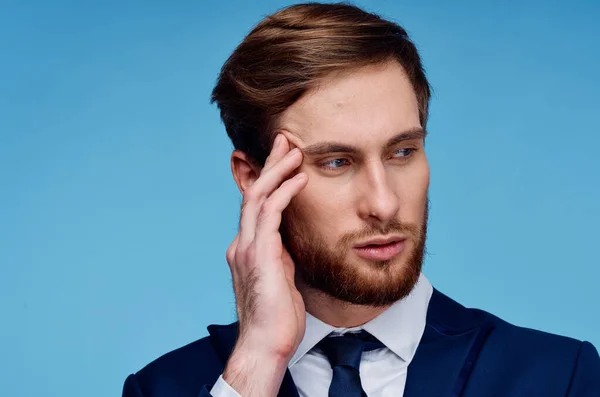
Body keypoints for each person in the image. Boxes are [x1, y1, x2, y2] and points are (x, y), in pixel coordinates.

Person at [121, 3, 600, 396]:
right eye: (336, 162)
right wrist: (256, 363)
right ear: (253, 178)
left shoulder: (562, 377)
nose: (385, 204)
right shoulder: (163, 389)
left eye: (403, 151)